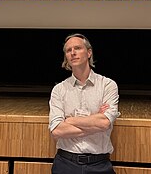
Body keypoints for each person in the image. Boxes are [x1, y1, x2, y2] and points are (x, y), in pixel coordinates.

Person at [49, 33, 120, 174]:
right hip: (65, 164)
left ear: (89, 52)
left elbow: (105, 123)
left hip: (99, 165)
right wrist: (95, 121)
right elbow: (57, 131)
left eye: (77, 48)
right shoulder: (59, 90)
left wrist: (71, 120)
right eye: (68, 50)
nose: (73, 53)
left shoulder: (107, 85)